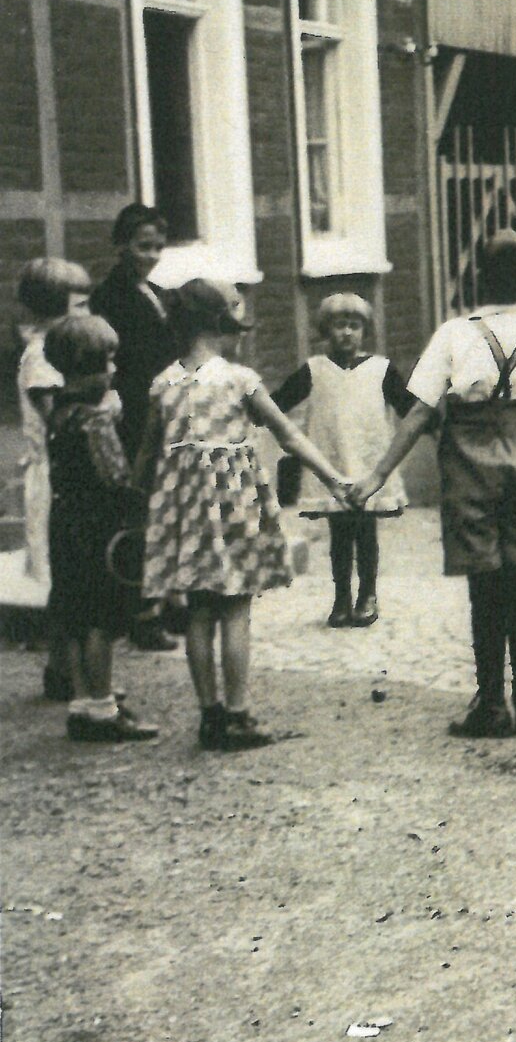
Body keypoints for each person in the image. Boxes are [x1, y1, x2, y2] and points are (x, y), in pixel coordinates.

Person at [350, 233, 516, 740]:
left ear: (476, 279)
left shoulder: (454, 334)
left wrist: (378, 475)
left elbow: (418, 413)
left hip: (469, 463)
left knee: (485, 586)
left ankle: (491, 704)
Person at [134, 279, 351, 752]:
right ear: (219, 326)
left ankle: (208, 716)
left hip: (184, 511)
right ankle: (237, 713)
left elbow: (148, 457)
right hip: (232, 506)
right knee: (234, 609)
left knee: (197, 610)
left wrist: (143, 504)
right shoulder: (239, 380)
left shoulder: (162, 384)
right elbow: (288, 435)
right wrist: (334, 477)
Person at [42, 312, 159, 743]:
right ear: (89, 367)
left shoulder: (60, 411)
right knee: (101, 620)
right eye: (107, 362)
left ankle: (82, 700)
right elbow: (116, 478)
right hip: (97, 530)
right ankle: (103, 709)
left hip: (65, 523)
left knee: (74, 614)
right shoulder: (95, 421)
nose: (113, 370)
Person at [271, 292, 415, 628]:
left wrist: (439, 424)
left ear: (365, 330)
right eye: (339, 325)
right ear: (326, 330)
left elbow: (410, 409)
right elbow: (277, 403)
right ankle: (341, 597)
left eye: (355, 326)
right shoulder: (314, 370)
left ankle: (367, 594)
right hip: (332, 465)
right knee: (338, 535)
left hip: (369, 464)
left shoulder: (382, 369)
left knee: (365, 532)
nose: (347, 333)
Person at [90, 204, 182, 650]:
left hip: (163, 412)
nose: (152, 255)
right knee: (138, 510)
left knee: (166, 508)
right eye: (143, 246)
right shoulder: (109, 298)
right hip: (134, 415)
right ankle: (142, 614)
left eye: (158, 247)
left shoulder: (158, 293)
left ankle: (166, 599)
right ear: (121, 245)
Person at [15, 258, 92, 698]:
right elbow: (58, 420)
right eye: (79, 306)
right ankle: (77, 678)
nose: (85, 314)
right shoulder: (41, 356)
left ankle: (63, 670)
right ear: (53, 308)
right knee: (70, 579)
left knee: (69, 580)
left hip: (67, 472)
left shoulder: (59, 348)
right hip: (56, 476)